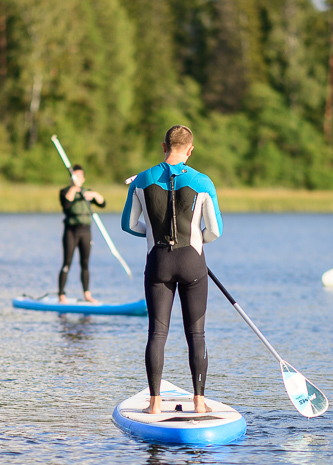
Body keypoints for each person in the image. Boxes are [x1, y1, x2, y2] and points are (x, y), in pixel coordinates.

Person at [122, 125, 222, 414]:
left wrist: (153, 234)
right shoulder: (204, 181)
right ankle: (199, 402)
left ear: (163, 146)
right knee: (197, 335)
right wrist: (194, 241)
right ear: (190, 150)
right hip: (193, 263)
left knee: (157, 334)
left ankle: (154, 406)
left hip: (158, 262)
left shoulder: (141, 179)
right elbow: (215, 231)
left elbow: (128, 225)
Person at [58, 165, 105, 303]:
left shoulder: (87, 193)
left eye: (79, 176)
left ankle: (87, 295)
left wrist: (95, 195)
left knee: (85, 264)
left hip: (86, 231)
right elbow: (66, 204)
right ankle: (61, 295)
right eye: (74, 176)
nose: (76, 179)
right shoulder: (65, 191)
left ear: (83, 178)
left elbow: (103, 204)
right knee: (67, 263)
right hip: (71, 231)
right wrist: (74, 187)